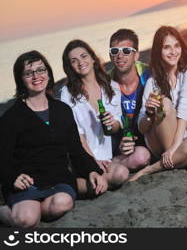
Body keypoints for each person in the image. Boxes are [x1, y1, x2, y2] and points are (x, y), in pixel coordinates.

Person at [0, 51, 107, 228]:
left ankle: (33, 209)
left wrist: (92, 170)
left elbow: (76, 149)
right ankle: (7, 211)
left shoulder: (63, 110)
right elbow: (2, 157)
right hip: (27, 184)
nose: (36, 76)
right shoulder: (11, 117)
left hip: (58, 180)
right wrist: (12, 177)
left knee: (62, 204)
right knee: (26, 220)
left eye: (41, 70)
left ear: (49, 74)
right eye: (29, 73)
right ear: (21, 80)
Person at [128, 26, 187, 181]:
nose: (173, 52)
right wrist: (150, 112)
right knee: (164, 102)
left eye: (177, 46)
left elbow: (186, 106)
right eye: (166, 47)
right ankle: (173, 157)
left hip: (182, 139)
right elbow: (142, 128)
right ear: (158, 51)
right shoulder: (153, 82)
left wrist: (174, 148)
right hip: (159, 142)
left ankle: (154, 168)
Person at [60, 40, 129, 190]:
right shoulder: (67, 94)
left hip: (109, 155)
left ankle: (96, 183)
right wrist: (93, 161)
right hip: (84, 158)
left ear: (92, 58)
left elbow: (117, 124)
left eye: (84, 56)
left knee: (125, 171)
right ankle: (90, 182)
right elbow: (77, 134)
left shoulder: (112, 86)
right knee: (121, 174)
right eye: (74, 61)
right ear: (70, 67)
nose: (80, 62)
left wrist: (112, 124)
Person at [108, 29, 152, 171]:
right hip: (120, 143)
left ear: (136, 55)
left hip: (149, 136)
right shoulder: (105, 84)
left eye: (126, 50)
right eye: (115, 51)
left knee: (142, 156)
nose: (120, 56)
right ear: (110, 55)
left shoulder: (149, 76)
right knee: (140, 156)